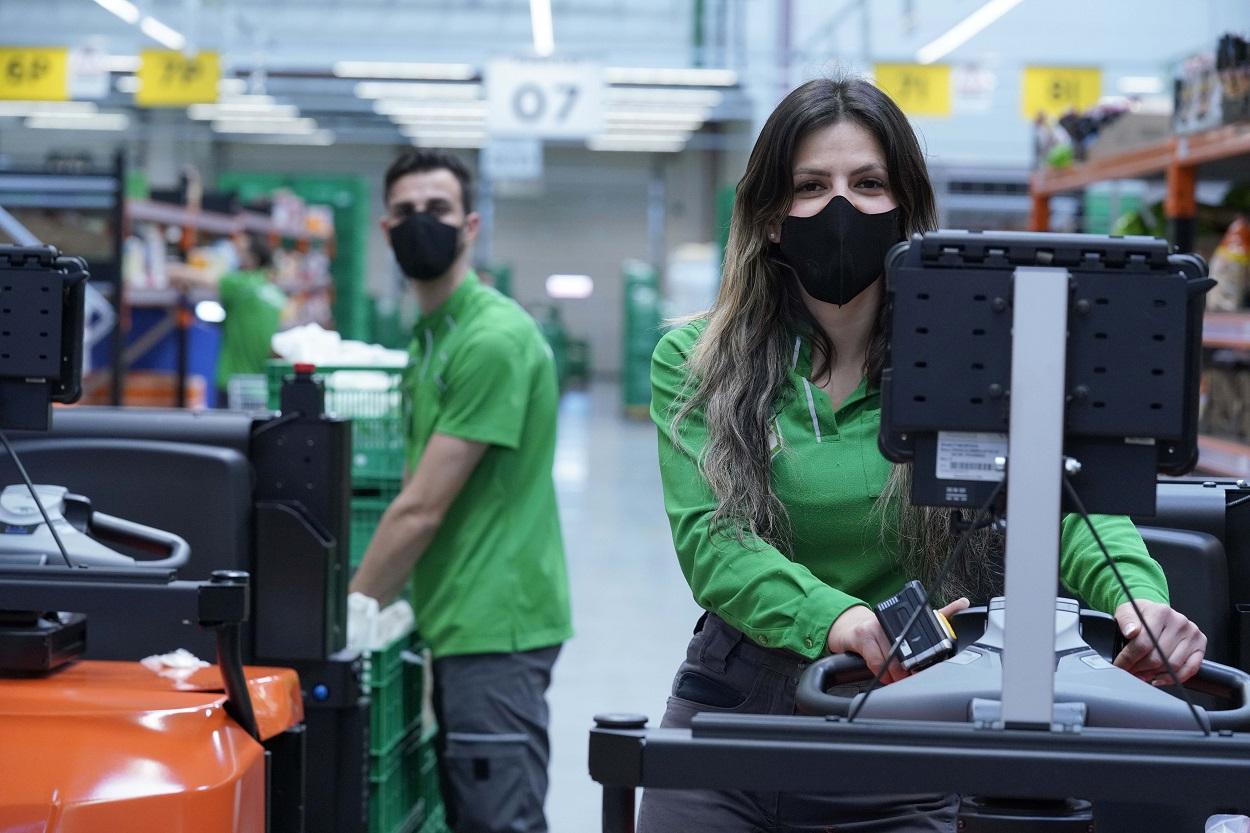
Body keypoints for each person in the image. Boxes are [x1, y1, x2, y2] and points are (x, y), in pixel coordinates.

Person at [636, 77, 1208, 833]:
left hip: (901, 715)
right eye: (811, 186)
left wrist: (1136, 597)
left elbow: (1062, 498)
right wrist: (835, 617)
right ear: (772, 217)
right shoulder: (695, 359)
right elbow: (715, 543)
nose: (840, 207)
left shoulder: (976, 359)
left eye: (867, 183)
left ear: (905, 207)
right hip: (733, 717)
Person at [348, 149, 572, 833]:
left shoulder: (491, 338)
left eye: (438, 210)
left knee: (497, 817)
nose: (423, 224)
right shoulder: (432, 335)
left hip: (495, 623)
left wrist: (349, 614)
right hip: (460, 613)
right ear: (386, 231)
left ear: (470, 225)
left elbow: (420, 508)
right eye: (407, 213)